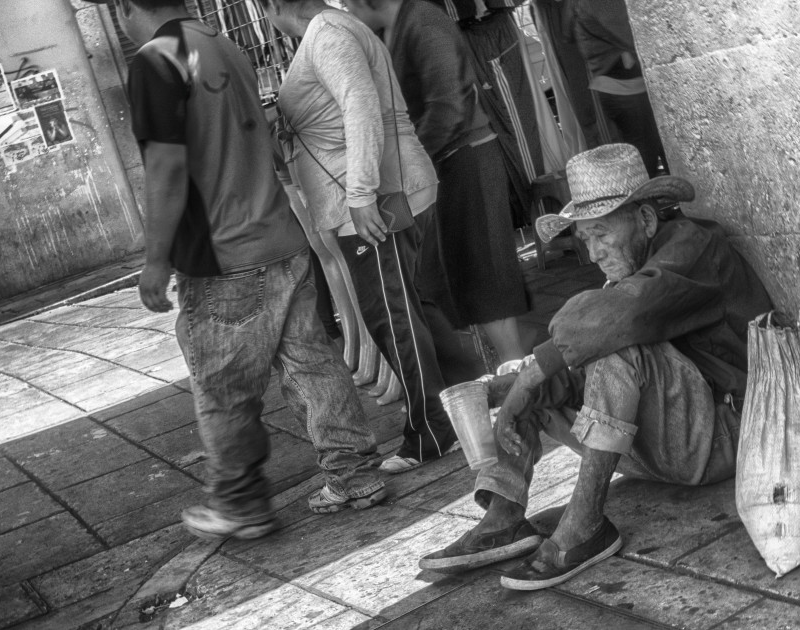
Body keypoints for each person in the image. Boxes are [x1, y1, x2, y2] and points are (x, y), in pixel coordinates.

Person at [419, 144, 773, 590]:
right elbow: (581, 337)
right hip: (663, 446)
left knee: (601, 351)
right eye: (585, 239)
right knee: (543, 379)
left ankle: (586, 526)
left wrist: (531, 375)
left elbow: (619, 318)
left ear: (645, 219)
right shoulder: (633, 265)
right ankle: (504, 516)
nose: (593, 253)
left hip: (726, 436)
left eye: (602, 233)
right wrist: (516, 386)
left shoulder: (696, 246)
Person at [97, 0, 387, 537]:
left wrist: (156, 261)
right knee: (312, 363)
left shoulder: (158, 59)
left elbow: (165, 166)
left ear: (123, 8)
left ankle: (241, 501)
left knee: (225, 385)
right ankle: (355, 476)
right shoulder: (223, 46)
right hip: (280, 235)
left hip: (223, 254)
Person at [262, 0, 462, 474]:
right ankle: (462, 405)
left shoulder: (328, 30)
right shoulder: (323, 32)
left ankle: (432, 429)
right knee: (408, 309)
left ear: (272, 7)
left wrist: (362, 193)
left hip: (380, 197)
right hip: (376, 194)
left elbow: (361, 103)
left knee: (391, 315)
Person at [343, 0, 530, 364]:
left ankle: (516, 362)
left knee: (485, 268)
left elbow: (450, 104)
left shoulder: (424, 22)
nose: (348, 11)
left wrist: (410, 156)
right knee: (460, 272)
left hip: (466, 154)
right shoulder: (397, 27)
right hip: (444, 161)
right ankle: (507, 359)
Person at [571, 0, 667, 177]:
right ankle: (644, 203)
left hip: (626, 88)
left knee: (652, 153)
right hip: (625, 91)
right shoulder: (597, 4)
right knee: (645, 158)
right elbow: (632, 34)